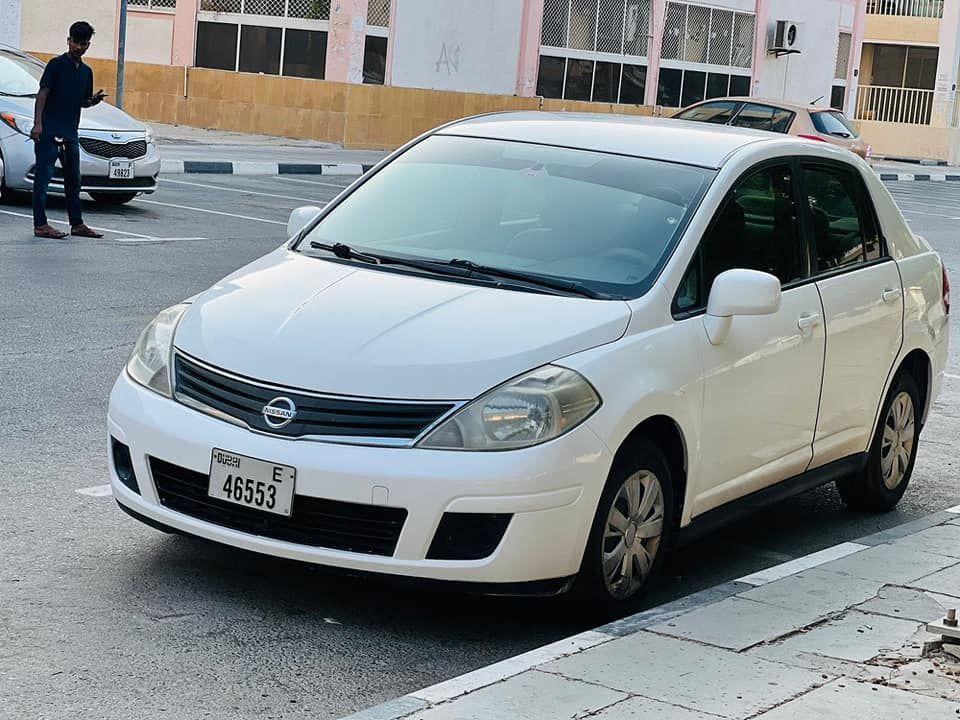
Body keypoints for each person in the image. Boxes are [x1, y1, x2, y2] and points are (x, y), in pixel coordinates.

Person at [30, 21, 106, 239]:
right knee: (43, 178)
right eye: (76, 43)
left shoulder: (86, 72)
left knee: (74, 180)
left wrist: (92, 101)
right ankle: (40, 224)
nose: (80, 48)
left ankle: (77, 224)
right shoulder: (55, 65)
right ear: (68, 41)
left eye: (84, 44)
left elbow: (82, 102)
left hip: (70, 132)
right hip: (49, 130)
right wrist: (38, 124)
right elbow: (43, 93)